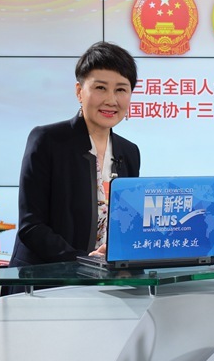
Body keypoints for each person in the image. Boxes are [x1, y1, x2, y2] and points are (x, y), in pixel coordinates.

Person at [8, 41, 140, 268]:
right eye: (100, 88)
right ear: (79, 91)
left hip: (103, 278)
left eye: (121, 89)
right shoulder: (47, 140)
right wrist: (83, 260)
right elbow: (31, 226)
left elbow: (125, 224)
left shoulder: (129, 152)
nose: (111, 100)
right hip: (45, 278)